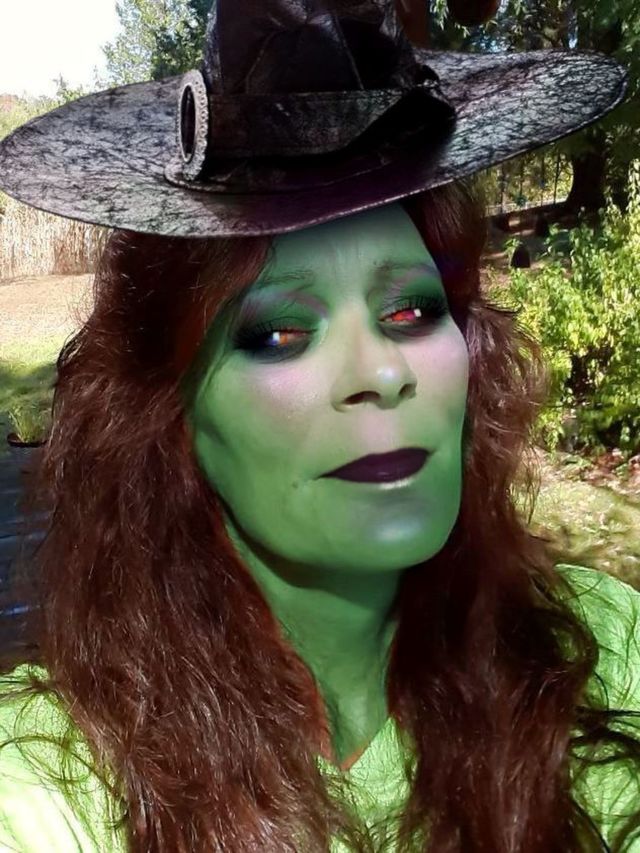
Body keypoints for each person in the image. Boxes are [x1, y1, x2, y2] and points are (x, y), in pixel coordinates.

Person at [0, 2, 638, 851]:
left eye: (412, 310)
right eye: (278, 333)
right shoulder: (47, 788)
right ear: (170, 411)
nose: (381, 372)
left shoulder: (607, 653)